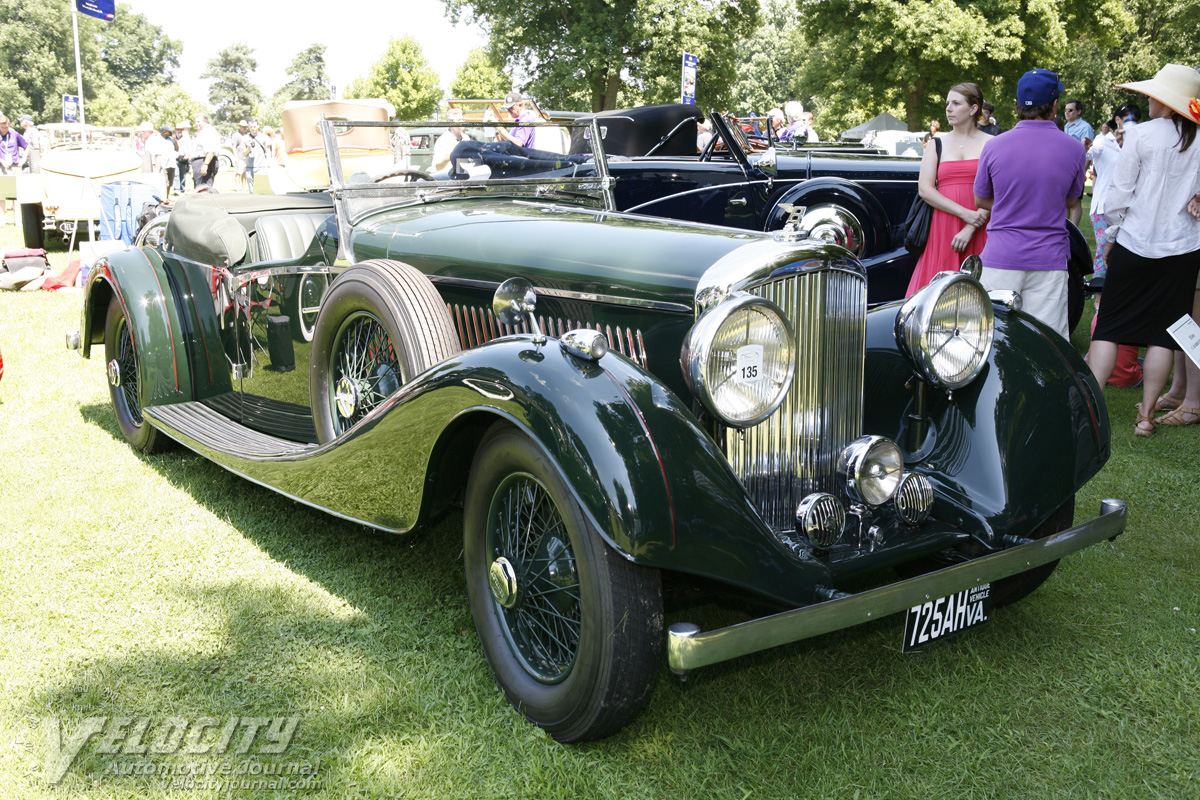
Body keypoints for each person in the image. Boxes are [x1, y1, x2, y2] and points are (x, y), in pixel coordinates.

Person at [1085, 63, 1200, 437]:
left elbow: (1121, 193)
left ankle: (1089, 407)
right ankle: (1146, 417)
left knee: (1109, 329)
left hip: (1134, 242)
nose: (1148, 100)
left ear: (1166, 102)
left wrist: (1112, 236)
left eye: (1153, 95)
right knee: (1163, 334)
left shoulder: (1140, 135)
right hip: (1184, 247)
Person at [973, 68, 1086, 339]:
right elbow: (1071, 200)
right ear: (1055, 104)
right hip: (1049, 258)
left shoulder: (994, 145)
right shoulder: (1074, 148)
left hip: (1001, 256)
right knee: (1046, 343)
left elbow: (981, 199)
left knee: (992, 340)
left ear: (1018, 104)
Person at [905, 82, 992, 296]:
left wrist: (971, 225)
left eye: (956, 103)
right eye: (947, 103)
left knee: (980, 294)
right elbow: (925, 190)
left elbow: (999, 193)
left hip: (981, 225)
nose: (948, 109)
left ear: (973, 109)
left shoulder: (992, 144)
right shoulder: (936, 144)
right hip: (944, 226)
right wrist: (964, 214)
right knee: (936, 295)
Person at [1085, 106, 1142, 387]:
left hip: (1127, 217)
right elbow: (1090, 155)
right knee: (1103, 255)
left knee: (1109, 255)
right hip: (1108, 211)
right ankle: (1100, 297)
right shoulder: (1103, 140)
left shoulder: (1142, 140)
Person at [1062, 99, 1094, 226]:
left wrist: (1083, 170)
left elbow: (1089, 151)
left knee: (1075, 201)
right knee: (1064, 200)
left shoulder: (1085, 127)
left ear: (1079, 111)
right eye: (1065, 110)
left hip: (1077, 168)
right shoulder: (1065, 127)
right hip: (1064, 169)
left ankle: (1074, 230)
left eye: (1070, 110)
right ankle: (1065, 228)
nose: (1067, 113)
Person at [0, 115, 28, 225]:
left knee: (16, 194)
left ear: (9, 124)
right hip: (2, 167)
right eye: (1, 128)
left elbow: (26, 146)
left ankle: (18, 219)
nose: (4, 130)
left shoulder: (14, 134)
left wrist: (23, 160)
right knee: (2, 194)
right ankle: (2, 219)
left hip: (15, 166)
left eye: (5, 127)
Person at [432, 108, 467, 173]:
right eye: (459, 120)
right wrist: (449, 157)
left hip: (464, 175)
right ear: (450, 122)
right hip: (448, 177)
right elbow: (437, 167)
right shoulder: (443, 141)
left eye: (463, 119)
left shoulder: (466, 137)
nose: (462, 122)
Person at [192, 113, 220, 188]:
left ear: (205, 122)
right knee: (199, 187)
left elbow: (211, 151)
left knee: (204, 188)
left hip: (204, 161)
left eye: (198, 122)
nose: (196, 124)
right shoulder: (202, 132)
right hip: (200, 161)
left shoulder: (208, 132)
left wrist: (205, 165)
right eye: (196, 122)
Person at [239, 119, 268, 192]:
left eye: (254, 126)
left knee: (262, 190)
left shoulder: (263, 137)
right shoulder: (245, 138)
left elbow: (268, 151)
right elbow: (243, 153)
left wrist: (268, 164)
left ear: (258, 126)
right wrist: (248, 148)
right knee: (251, 190)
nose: (253, 128)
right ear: (248, 126)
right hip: (249, 167)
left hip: (261, 167)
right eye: (251, 127)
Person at [146, 124, 176, 196]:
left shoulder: (170, 139)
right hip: (163, 164)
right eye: (169, 131)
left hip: (171, 163)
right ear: (165, 132)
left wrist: (175, 141)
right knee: (164, 182)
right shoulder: (157, 140)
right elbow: (157, 155)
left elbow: (176, 149)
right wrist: (157, 169)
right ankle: (162, 197)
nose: (171, 133)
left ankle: (167, 197)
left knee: (170, 182)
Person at [173, 120, 192, 194]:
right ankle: (176, 189)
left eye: (181, 129)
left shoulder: (186, 137)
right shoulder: (173, 137)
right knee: (176, 173)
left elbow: (189, 147)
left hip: (184, 158)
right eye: (178, 129)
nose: (179, 131)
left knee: (183, 174)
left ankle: (182, 188)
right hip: (176, 157)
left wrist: (188, 154)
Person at [230, 120, 249, 191]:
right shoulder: (236, 135)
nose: (244, 128)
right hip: (239, 156)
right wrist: (236, 157)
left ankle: (244, 187)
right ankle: (237, 187)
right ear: (240, 127)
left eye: (245, 127)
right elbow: (234, 146)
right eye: (243, 127)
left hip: (246, 157)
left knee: (244, 173)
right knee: (238, 172)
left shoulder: (247, 135)